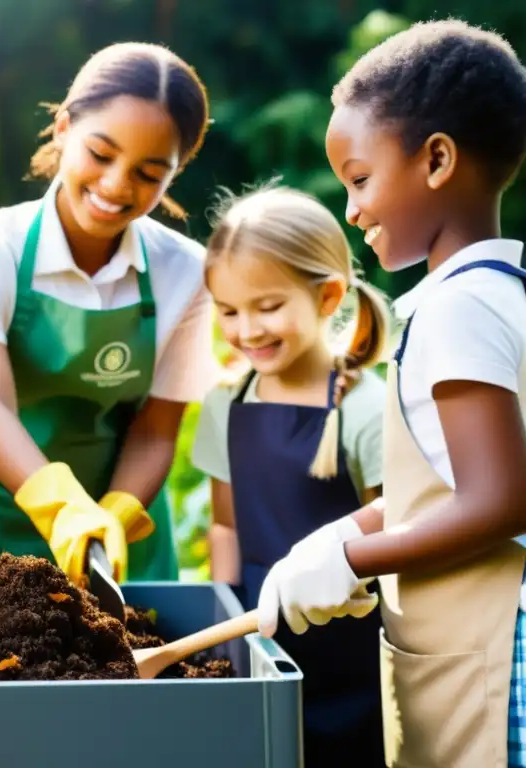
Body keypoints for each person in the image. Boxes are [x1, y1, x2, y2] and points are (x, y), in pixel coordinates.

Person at [254, 20, 526, 768]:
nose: (352, 210)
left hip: (498, 657)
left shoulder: (458, 307)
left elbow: (501, 500)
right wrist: (341, 534)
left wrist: (356, 560)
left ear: (437, 159)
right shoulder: (498, 291)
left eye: (360, 178)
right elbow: (442, 485)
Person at [0, 42, 218, 588]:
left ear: (176, 172)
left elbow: (155, 431)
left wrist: (116, 515)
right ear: (63, 128)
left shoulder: (187, 273)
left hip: (115, 532)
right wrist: (62, 509)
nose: (117, 186)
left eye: (149, 173)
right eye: (101, 154)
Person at [190, 184, 389, 766]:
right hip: (260, 636)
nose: (247, 330)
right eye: (228, 311)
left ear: (328, 296)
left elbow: (394, 532)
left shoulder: (366, 407)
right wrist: (228, 630)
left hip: (353, 649)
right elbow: (226, 528)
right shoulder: (226, 403)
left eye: (268, 306)